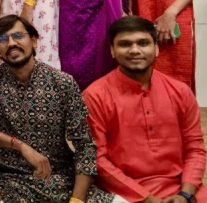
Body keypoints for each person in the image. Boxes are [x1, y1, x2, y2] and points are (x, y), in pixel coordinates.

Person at [0, 15, 114, 203]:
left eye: (18, 36)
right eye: (3, 39)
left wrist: (77, 200)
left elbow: (84, 145)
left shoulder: (62, 83)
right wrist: (19, 145)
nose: (11, 43)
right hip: (10, 183)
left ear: (34, 41)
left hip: (61, 180)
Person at [84, 16, 206, 203]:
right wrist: (145, 198)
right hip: (122, 192)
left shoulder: (180, 91)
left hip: (180, 188)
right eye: (125, 44)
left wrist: (185, 194)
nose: (135, 50)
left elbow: (195, 148)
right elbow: (97, 159)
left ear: (156, 48)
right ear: (112, 51)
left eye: (143, 43)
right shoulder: (95, 96)